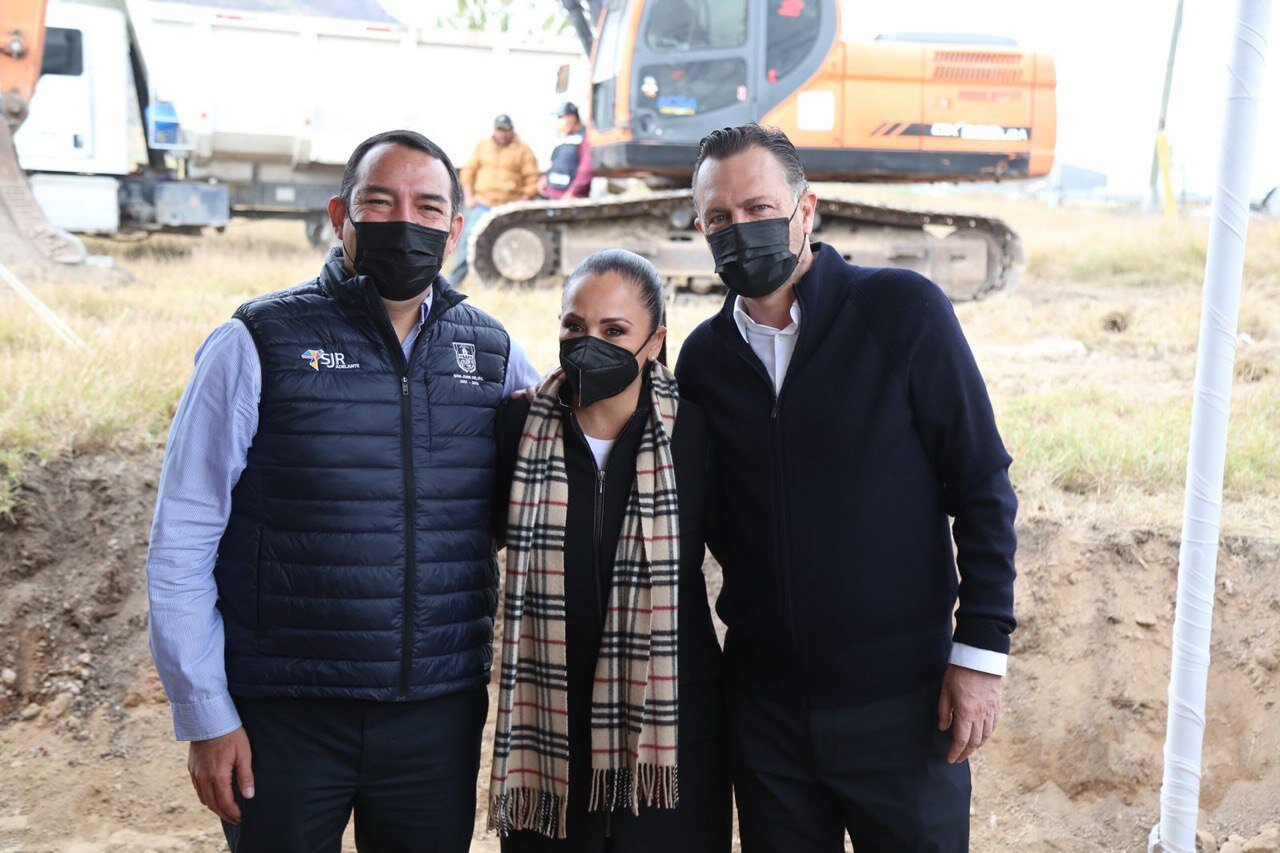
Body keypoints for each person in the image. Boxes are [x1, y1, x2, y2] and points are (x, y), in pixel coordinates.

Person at [145, 128, 541, 852]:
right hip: (283, 715)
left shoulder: (492, 351)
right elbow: (182, 537)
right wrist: (206, 714)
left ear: (456, 229)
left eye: (428, 207)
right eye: (379, 202)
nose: (405, 223)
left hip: (436, 714)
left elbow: (559, 463)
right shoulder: (256, 340)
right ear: (340, 216)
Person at [675, 124, 1018, 851]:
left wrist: (981, 652)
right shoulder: (704, 360)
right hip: (767, 716)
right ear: (700, 228)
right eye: (720, 217)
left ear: (806, 210)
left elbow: (981, 483)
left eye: (760, 208)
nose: (741, 229)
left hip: (906, 704)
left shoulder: (902, 311)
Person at [487, 250, 731, 852]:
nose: (589, 343)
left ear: (655, 341)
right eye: (575, 326)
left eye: (614, 330)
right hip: (551, 726)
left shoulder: (696, 434)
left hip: (668, 726)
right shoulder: (517, 429)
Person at [451, 114, 541, 281]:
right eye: (500, 129)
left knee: (511, 243)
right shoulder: (482, 146)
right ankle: (455, 281)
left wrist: (523, 200)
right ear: (494, 130)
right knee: (468, 240)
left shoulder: (523, 150)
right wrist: (469, 196)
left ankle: (510, 281)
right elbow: (469, 171)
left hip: (507, 207)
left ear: (512, 130)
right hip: (483, 203)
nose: (503, 134)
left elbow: (532, 178)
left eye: (506, 130)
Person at [539, 102, 594, 200]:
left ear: (572, 118)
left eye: (561, 118)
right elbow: (554, 162)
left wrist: (573, 192)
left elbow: (586, 169)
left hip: (570, 199)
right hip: (552, 195)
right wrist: (544, 178)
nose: (559, 122)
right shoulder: (562, 137)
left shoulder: (586, 136)